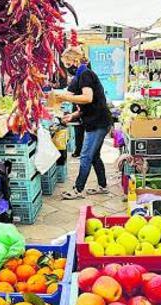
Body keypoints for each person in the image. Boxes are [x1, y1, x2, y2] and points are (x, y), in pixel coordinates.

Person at [56, 46, 112, 199]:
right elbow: (83, 104)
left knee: (86, 156)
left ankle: (78, 190)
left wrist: (65, 98)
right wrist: (72, 116)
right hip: (98, 120)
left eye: (67, 64)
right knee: (94, 156)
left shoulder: (86, 74)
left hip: (98, 122)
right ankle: (103, 186)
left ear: (74, 61)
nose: (67, 68)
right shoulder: (79, 76)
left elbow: (88, 98)